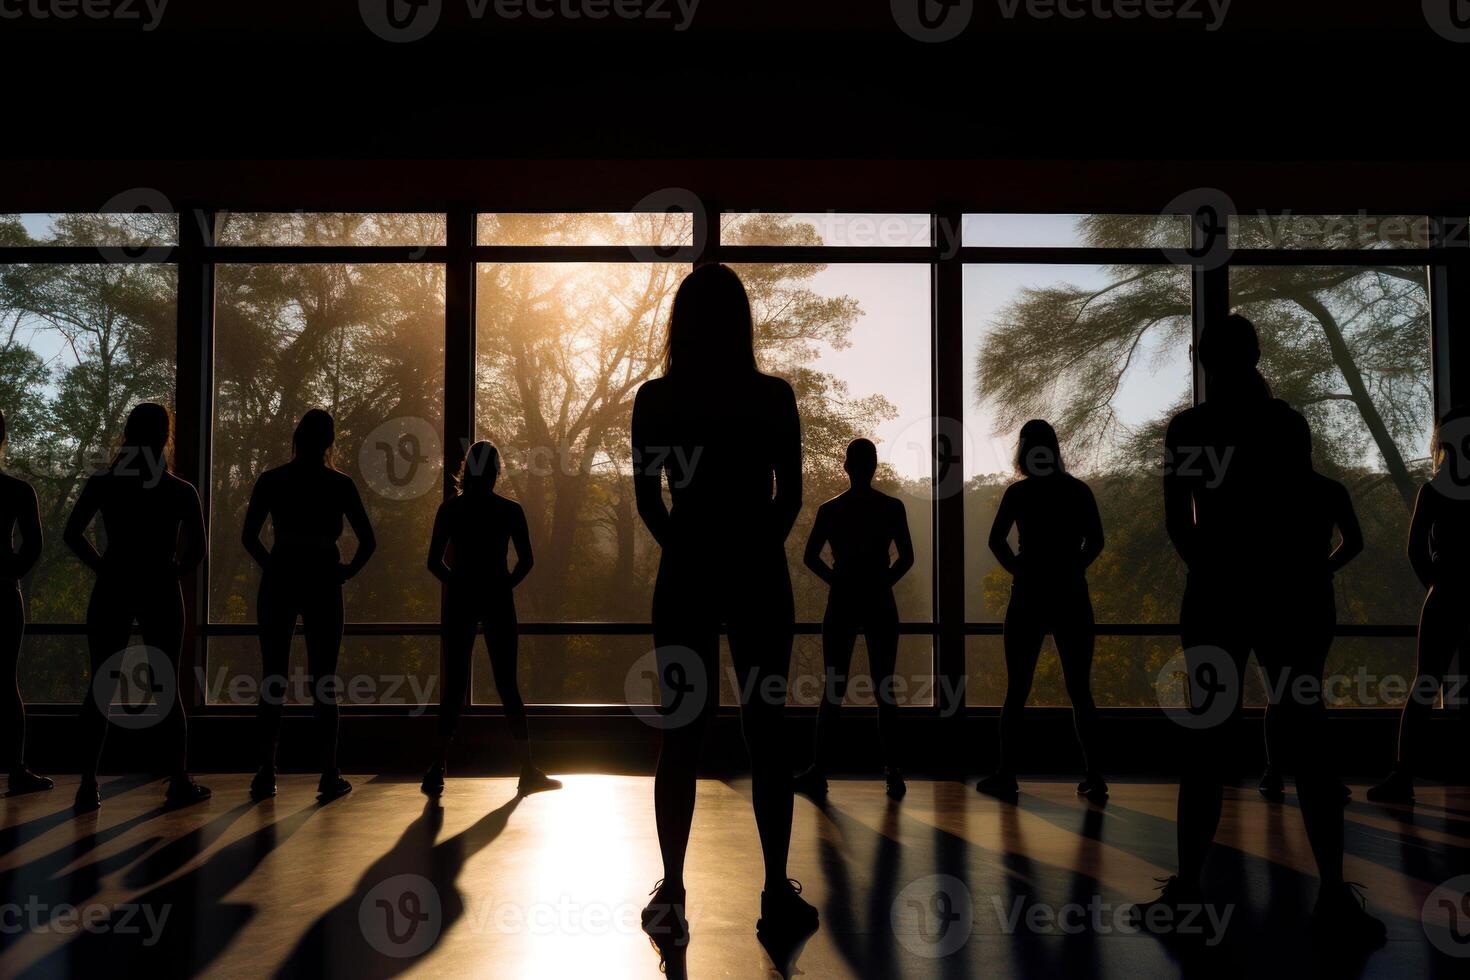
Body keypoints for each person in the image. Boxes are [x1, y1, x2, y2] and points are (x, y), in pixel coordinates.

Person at [1133, 314, 1384, 949]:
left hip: (1218, 595)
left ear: (1201, 359)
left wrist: (1216, 573)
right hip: (1287, 594)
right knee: (1308, 738)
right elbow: (1297, 508)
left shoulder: (1190, 429)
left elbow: (1178, 521)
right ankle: (1331, 892)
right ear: (1256, 354)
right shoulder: (1285, 424)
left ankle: (1189, 886)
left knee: (1206, 743)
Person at [631, 264, 817, 953]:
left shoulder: (657, 399)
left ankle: (673, 887)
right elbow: (790, 495)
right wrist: (750, 550)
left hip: (685, 572)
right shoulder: (771, 398)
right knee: (767, 733)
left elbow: (651, 500)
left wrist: (690, 549)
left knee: (680, 731)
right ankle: (774, 889)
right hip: (758, 571)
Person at [65, 403, 209, 813]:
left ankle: (88, 782)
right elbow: (197, 549)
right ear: (166, 437)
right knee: (168, 686)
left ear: (127, 435)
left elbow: (72, 533)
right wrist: (174, 571)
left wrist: (103, 566)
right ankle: (178, 779)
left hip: (115, 582)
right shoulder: (180, 491)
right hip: (160, 585)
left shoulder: (105, 483)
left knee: (101, 682)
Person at [242, 409, 375, 802]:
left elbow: (249, 537)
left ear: (297, 438)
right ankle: (329, 771)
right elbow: (368, 541)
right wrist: (345, 571)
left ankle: (266, 771)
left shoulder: (272, 481)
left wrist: (275, 566)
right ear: (330, 442)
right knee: (325, 680)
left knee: (272, 678)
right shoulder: (340, 484)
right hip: (322, 578)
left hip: (281, 576)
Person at [975, 420, 1107, 802]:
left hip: (1029, 593)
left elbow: (996, 540)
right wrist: (1073, 566)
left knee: (1017, 689)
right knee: (1080, 690)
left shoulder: (1019, 494)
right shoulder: (1078, 491)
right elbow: (1096, 540)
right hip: (1070, 592)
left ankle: (1006, 773)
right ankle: (1095, 775)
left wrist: (1019, 568)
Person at [420, 440, 558, 797]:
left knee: (453, 683)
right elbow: (526, 560)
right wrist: (503, 585)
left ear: (466, 471)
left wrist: (459, 583)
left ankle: (437, 766)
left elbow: (434, 562)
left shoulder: (450, 511)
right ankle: (527, 768)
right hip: (497, 597)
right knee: (507, 684)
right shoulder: (510, 510)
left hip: (461, 597)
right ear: (496, 471)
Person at [794, 438, 915, 801]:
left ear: (846, 466)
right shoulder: (891, 508)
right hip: (879, 598)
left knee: (833, 688)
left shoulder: (831, 510)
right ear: (874, 466)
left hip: (843, 599)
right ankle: (893, 772)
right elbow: (906, 557)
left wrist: (838, 581)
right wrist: (881, 584)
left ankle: (819, 769)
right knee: (884, 689)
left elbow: (810, 557)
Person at [1368, 406, 1470, 804]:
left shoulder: (1434, 490)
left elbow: (1415, 550)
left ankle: (1403, 774)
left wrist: (1437, 583)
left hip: (1445, 593)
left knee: (1424, 684)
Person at [1259, 425, 1361, 804]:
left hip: (1270, 601)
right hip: (1315, 598)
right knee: (1309, 689)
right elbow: (1355, 542)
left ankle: (1273, 771)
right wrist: (1323, 568)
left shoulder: (1263, 493)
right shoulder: (1330, 490)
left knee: (1277, 692)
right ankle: (1321, 775)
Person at [1, 411, 49, 795]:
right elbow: (33, 544)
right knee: (6, 682)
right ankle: (16, 768)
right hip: (3, 591)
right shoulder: (17, 490)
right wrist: (11, 570)